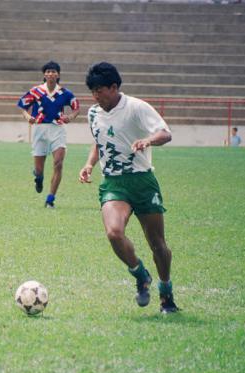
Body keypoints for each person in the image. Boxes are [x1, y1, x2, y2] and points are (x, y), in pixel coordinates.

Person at [78, 62, 179, 314]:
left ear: (114, 87)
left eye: (100, 91)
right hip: (113, 182)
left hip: (142, 181)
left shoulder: (136, 107)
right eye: (92, 92)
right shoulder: (93, 113)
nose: (96, 96)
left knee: (158, 243)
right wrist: (89, 164)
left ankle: (166, 293)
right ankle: (140, 274)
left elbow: (165, 134)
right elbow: (99, 141)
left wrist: (148, 140)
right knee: (114, 233)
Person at [17, 61, 80, 208]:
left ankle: (50, 199)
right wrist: (28, 117)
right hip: (40, 129)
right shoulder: (36, 91)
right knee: (39, 169)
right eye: (48, 71)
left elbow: (76, 108)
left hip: (58, 129)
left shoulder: (65, 93)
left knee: (58, 163)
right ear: (44, 75)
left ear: (58, 75)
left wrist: (69, 118)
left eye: (53, 71)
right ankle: (38, 177)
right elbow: (23, 106)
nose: (51, 74)